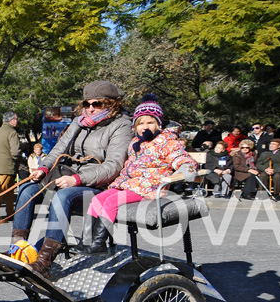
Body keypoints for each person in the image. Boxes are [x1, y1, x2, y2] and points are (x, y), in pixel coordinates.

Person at [11, 81, 133, 277]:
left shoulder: (122, 125)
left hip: (98, 185)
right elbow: (58, 150)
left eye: (97, 104)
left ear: (112, 104)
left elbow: (114, 166)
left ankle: (44, 261)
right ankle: (17, 251)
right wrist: (43, 168)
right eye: (87, 104)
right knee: (27, 190)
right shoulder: (79, 122)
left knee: (63, 196)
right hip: (67, 177)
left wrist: (77, 179)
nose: (91, 108)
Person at [84, 97, 197, 253]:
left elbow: (181, 158)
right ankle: (87, 240)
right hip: (130, 184)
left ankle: (98, 243)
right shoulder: (135, 143)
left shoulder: (167, 142)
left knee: (111, 201)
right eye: (140, 123)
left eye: (150, 122)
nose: (145, 127)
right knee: (97, 199)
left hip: (149, 187)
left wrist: (186, 169)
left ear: (159, 124)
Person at [0, 111, 20, 219]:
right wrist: (16, 160)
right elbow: (15, 151)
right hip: (8, 164)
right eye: (16, 119)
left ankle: (10, 212)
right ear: (10, 120)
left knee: (9, 190)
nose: (17, 121)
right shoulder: (12, 132)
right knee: (1, 190)